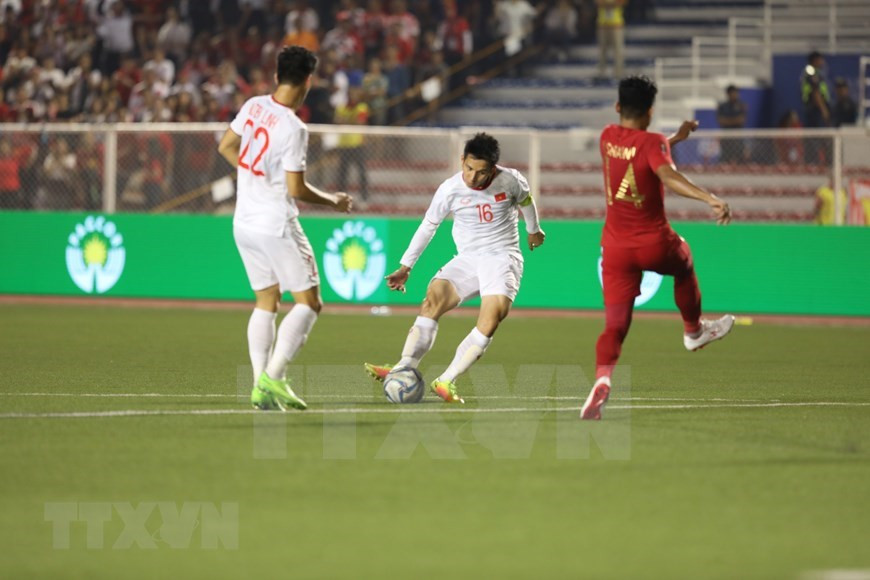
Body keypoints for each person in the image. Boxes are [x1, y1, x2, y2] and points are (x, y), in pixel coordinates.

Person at [581, 75, 735, 421]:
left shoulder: (607, 136)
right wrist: (709, 198)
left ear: (618, 107)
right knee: (685, 263)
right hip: (654, 242)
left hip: (615, 248)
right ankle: (694, 330)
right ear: (650, 111)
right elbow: (666, 174)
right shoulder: (652, 142)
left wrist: (674, 139)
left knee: (615, 327)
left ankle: (603, 378)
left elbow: (638, 152)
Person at [217, 46, 353, 412]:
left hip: (243, 222)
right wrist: (334, 201)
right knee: (309, 302)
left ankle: (261, 387)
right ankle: (273, 377)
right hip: (276, 224)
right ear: (309, 81)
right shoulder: (294, 128)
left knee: (267, 301)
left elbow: (227, 146)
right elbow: (296, 189)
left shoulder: (253, 106)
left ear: (277, 76)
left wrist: (252, 176)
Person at [364, 133, 545, 403]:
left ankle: (447, 380)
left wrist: (534, 230)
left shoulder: (511, 180)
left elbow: (527, 203)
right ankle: (405, 366)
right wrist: (406, 266)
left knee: (492, 316)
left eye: (481, 172)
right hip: (468, 258)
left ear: (493, 169)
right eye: (469, 168)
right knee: (432, 299)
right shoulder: (449, 189)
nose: (473, 177)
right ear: (462, 160)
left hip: (502, 256)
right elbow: (428, 226)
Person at [801, 51, 831, 164]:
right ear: (815, 60)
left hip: (814, 110)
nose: (822, 62)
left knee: (816, 136)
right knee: (816, 136)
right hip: (815, 110)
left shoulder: (814, 72)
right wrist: (823, 110)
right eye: (820, 59)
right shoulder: (812, 73)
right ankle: (814, 162)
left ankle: (814, 161)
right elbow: (816, 93)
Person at [716, 84, 746, 164]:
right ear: (728, 94)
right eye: (733, 92)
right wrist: (734, 120)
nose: (735, 94)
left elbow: (741, 120)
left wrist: (728, 121)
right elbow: (721, 121)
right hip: (726, 138)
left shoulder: (741, 105)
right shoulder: (722, 106)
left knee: (740, 160)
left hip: (738, 138)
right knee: (725, 160)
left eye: (736, 92)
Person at [596, 0, 626, 80]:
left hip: (616, 24)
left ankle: (618, 73)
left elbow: (622, 2)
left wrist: (608, 4)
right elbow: (598, 2)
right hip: (603, 24)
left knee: (618, 50)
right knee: (602, 50)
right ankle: (602, 72)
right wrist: (611, 4)